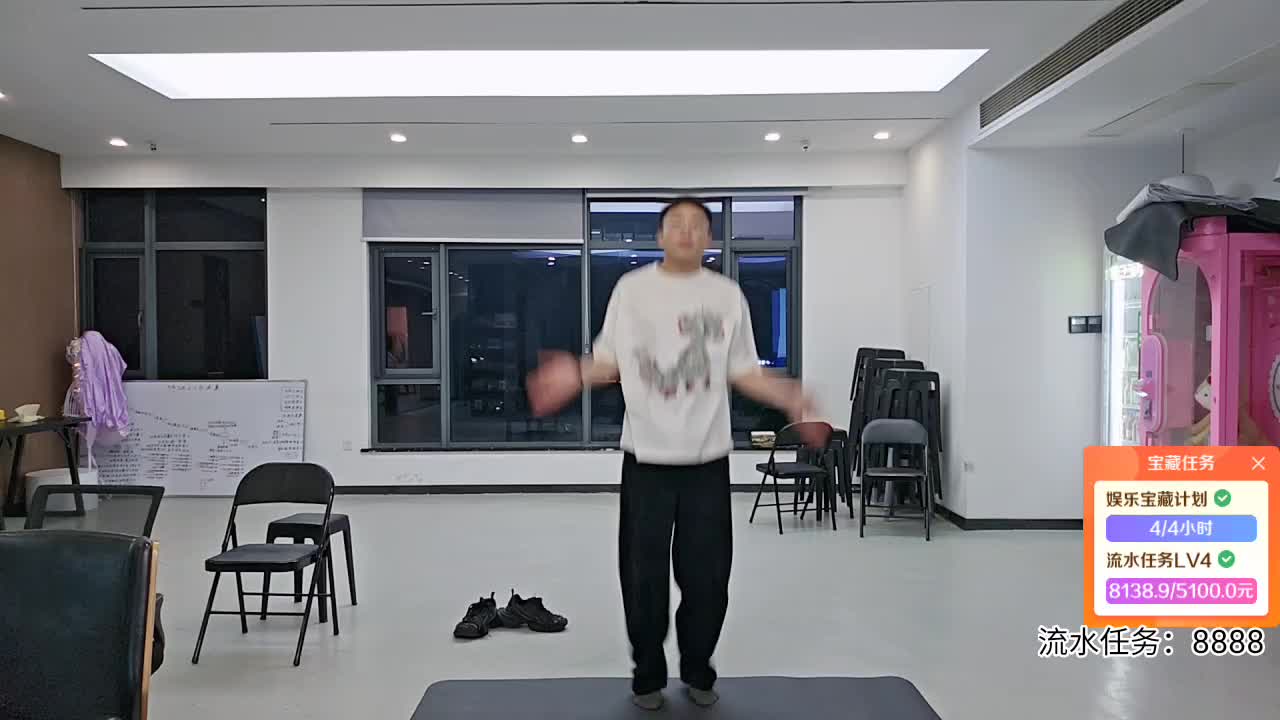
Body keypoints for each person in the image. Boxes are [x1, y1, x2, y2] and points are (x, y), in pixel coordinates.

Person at [526, 198, 819, 710]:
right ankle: (647, 676)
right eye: (676, 224)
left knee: (708, 578)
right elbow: (608, 361)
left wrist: (791, 395)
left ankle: (699, 669)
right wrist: (572, 373)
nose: (687, 232)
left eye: (697, 225)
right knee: (643, 578)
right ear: (660, 236)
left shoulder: (726, 296)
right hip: (646, 460)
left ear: (709, 238)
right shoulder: (632, 290)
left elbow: (743, 370)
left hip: (708, 461)